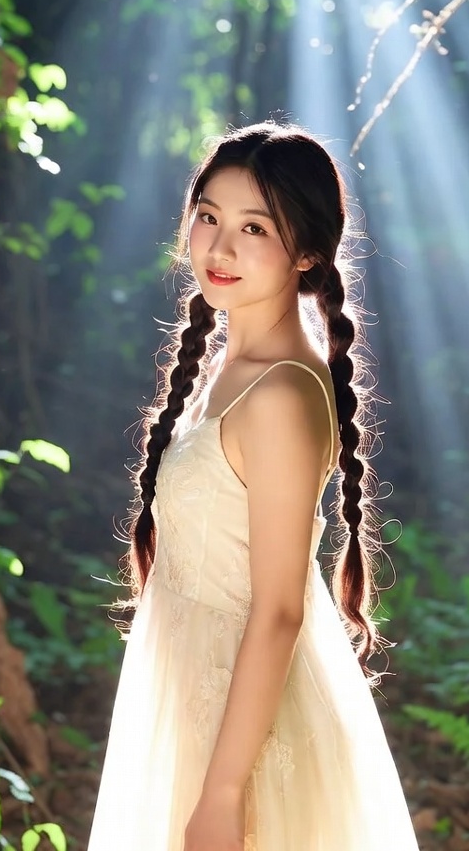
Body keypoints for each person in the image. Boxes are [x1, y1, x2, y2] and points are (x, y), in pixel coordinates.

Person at [86, 122, 419, 851]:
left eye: (253, 227)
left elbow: (277, 610)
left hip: (243, 728)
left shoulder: (278, 397)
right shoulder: (236, 366)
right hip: (194, 689)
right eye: (208, 216)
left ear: (305, 253)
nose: (220, 247)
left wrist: (223, 793)